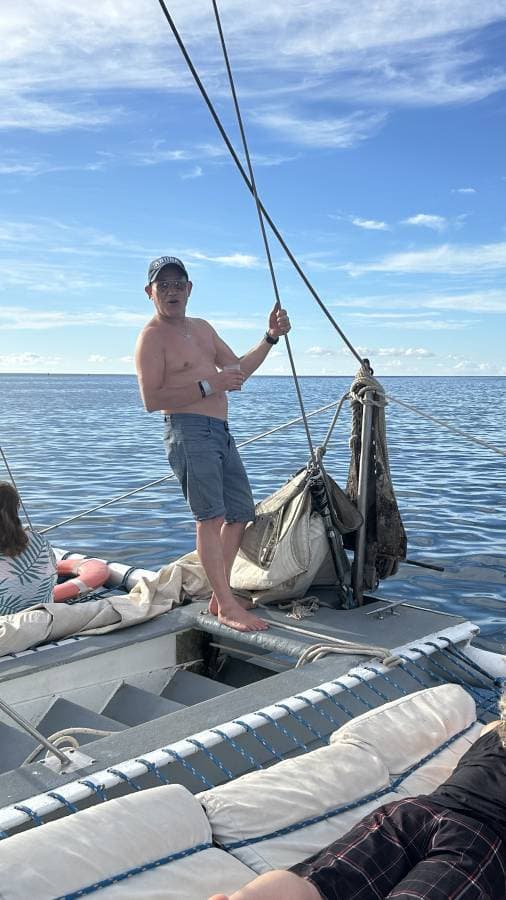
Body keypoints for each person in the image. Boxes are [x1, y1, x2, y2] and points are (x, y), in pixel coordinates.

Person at [209, 693, 506, 899]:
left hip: (415, 811)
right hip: (482, 840)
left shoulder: (493, 733)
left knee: (321, 881)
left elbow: (489, 731)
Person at [135, 256, 291, 633]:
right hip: (188, 431)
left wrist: (270, 337)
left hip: (220, 431)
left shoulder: (202, 328)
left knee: (239, 513)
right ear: (150, 292)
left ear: (189, 289)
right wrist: (209, 385)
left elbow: (237, 369)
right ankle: (225, 605)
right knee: (211, 518)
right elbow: (151, 399)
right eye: (164, 285)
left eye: (178, 284)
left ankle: (218, 595)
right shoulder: (151, 337)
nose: (172, 291)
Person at [0, 481, 57, 615]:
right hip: (42, 618)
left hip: (6, 627)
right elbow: (54, 573)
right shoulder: (39, 540)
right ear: (18, 507)